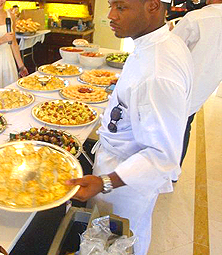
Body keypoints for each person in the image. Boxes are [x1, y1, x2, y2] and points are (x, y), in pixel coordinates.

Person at [66, 0, 194, 254]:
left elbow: (161, 156)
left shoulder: (158, 71)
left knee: (120, 241)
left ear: (153, 6)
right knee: (107, 235)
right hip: (117, 164)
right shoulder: (156, 43)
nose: (110, 15)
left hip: (126, 181)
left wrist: (105, 182)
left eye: (121, 7)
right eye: (112, 5)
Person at [172, 0, 222, 165]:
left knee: (169, 128)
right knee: (185, 125)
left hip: (178, 85)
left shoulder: (196, 18)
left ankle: (161, 171)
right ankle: (174, 172)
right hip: (204, 86)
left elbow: (170, 48)